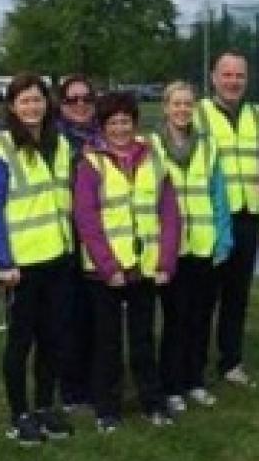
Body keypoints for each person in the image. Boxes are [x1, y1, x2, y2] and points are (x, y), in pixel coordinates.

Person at [73, 91, 182, 433]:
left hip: (145, 268)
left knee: (143, 339)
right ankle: (107, 408)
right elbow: (86, 219)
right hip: (106, 273)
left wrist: (166, 261)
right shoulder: (91, 163)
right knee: (107, 343)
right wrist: (109, 267)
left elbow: (170, 213)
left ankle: (153, 402)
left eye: (125, 122)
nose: (120, 128)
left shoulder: (153, 158)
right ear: (103, 127)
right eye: (113, 123)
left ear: (134, 123)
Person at [0, 73, 76, 445]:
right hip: (20, 265)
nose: (32, 107)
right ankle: (20, 413)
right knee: (21, 342)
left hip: (57, 256)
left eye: (38, 100)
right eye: (25, 101)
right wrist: (4, 261)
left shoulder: (60, 143)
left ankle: (46, 407)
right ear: (13, 106)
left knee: (53, 338)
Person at [152, 81, 233, 414]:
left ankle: (194, 381)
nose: (183, 110)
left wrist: (223, 238)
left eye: (188, 104)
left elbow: (219, 197)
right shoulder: (152, 146)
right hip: (170, 248)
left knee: (201, 317)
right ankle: (170, 385)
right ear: (166, 107)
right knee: (174, 319)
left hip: (203, 245)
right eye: (177, 104)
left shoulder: (208, 146)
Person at [195, 50, 259, 388]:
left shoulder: (258, 117)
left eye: (239, 76)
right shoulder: (198, 116)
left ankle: (231, 361)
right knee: (204, 296)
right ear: (213, 77)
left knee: (237, 295)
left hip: (249, 215)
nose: (233, 82)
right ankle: (193, 366)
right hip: (210, 220)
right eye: (226, 75)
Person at [56, 74, 99, 412]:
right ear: (62, 104)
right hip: (66, 237)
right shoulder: (53, 140)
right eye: (73, 99)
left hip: (101, 236)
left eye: (86, 98)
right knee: (69, 314)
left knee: (98, 313)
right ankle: (72, 388)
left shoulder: (104, 136)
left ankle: (98, 377)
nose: (81, 104)